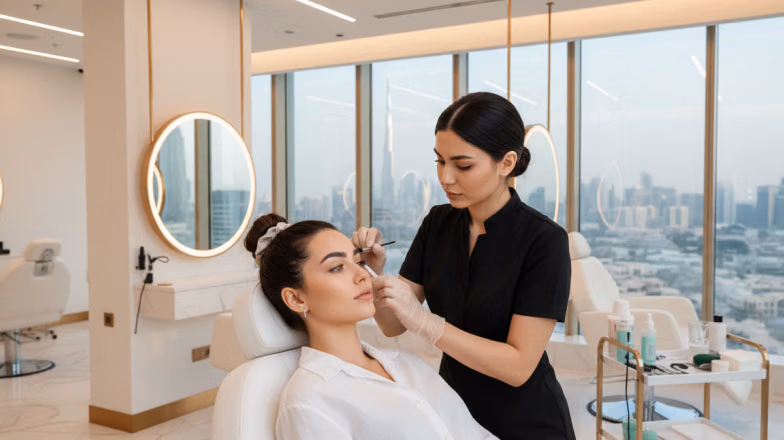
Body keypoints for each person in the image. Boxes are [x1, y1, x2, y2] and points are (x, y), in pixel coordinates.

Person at [354, 92, 576, 439]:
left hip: (527, 423)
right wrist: (376, 274)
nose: (446, 178)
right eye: (440, 162)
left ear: (506, 163)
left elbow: (518, 366)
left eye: (463, 165)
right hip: (454, 412)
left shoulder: (544, 240)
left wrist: (428, 323)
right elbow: (393, 326)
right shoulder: (438, 223)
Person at [244, 213, 497, 440]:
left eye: (358, 262)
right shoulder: (310, 401)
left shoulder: (408, 363)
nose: (363, 275)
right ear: (297, 299)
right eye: (337, 267)